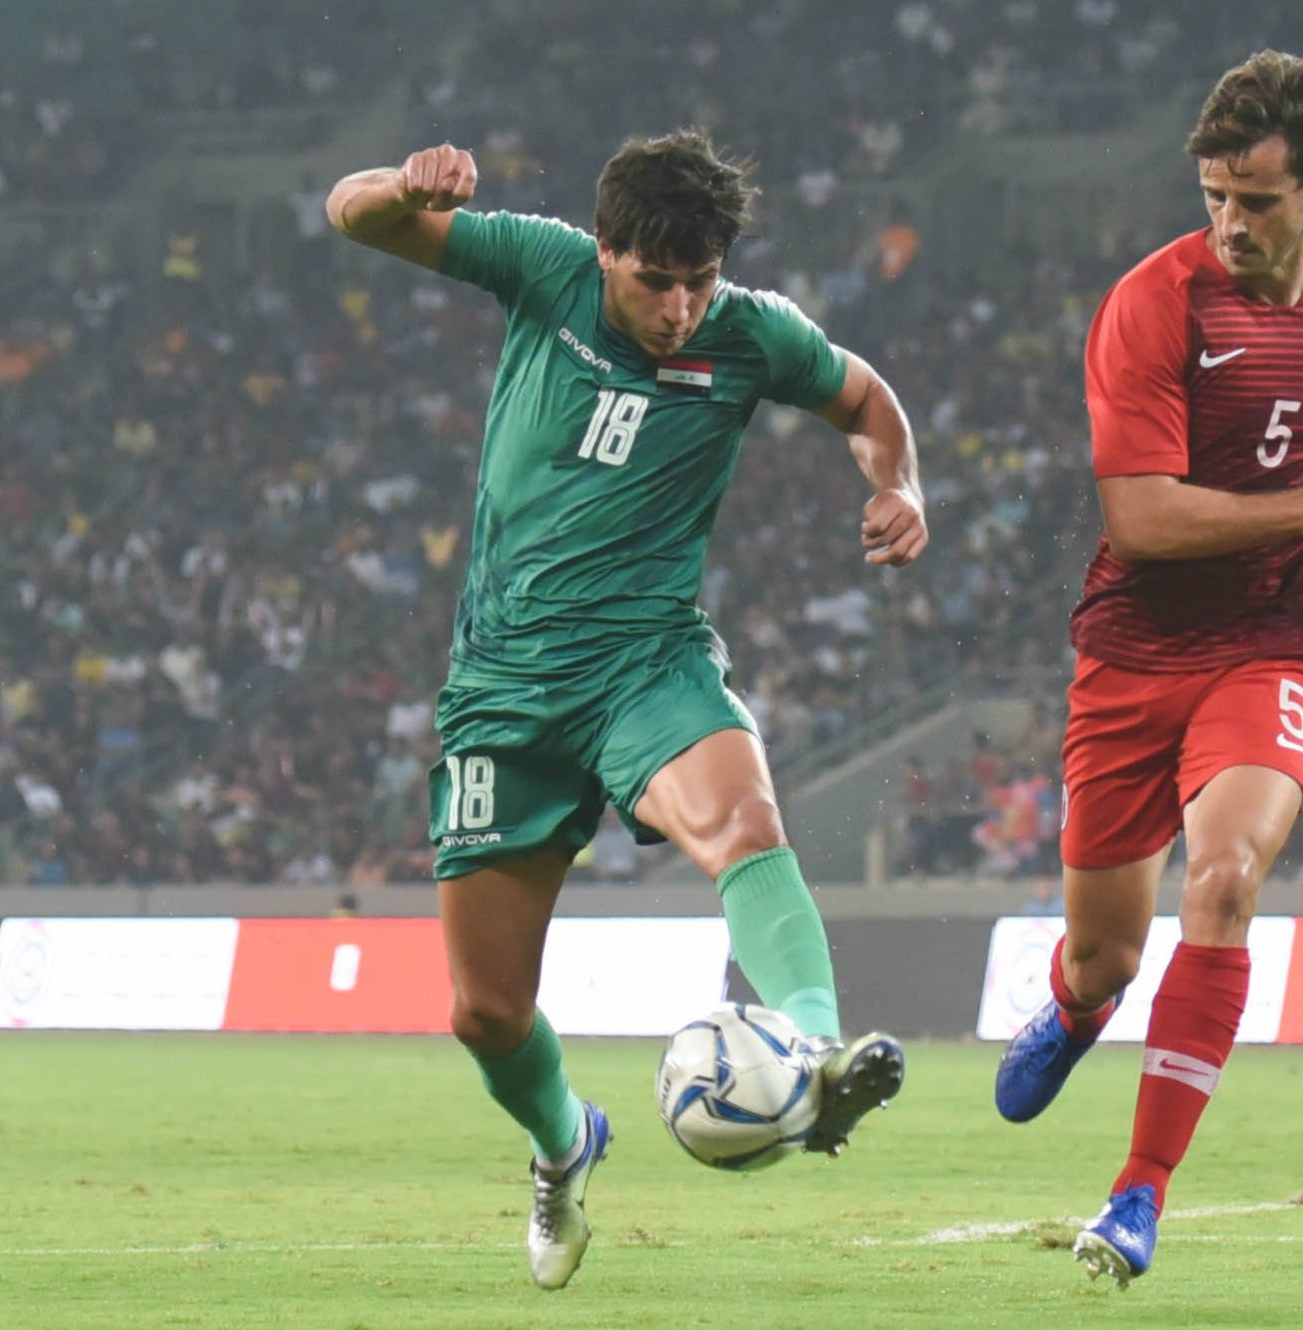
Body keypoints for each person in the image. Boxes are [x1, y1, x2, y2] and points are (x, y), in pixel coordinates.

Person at [325, 129, 926, 1290]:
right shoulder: (543, 269)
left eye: (700, 280)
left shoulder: (751, 335)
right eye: (657, 281)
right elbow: (352, 214)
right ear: (607, 254)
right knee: (487, 1014)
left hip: (646, 665)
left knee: (746, 828)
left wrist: (897, 482)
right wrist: (403, 187)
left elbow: (865, 399)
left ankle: (806, 1043)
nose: (681, 307)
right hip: (503, 690)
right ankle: (564, 1143)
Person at [991, 51, 1303, 1287]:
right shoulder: (1151, 304)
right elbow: (1144, 522)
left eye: (1258, 200)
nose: (1229, 222)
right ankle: (1074, 1008)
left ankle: (1136, 1195)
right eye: (1214, 194)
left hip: (1274, 642)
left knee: (1222, 882)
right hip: (1132, 650)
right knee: (1105, 954)